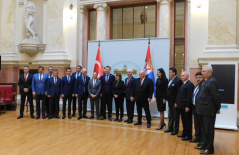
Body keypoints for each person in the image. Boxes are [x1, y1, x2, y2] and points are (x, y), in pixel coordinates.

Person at [196, 65, 221, 154]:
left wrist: (218, 107)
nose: (202, 73)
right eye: (202, 71)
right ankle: (204, 144)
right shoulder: (206, 81)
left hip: (208, 110)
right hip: (203, 110)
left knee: (209, 130)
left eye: (204, 71)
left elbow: (216, 96)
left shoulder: (211, 82)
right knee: (204, 129)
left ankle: (210, 148)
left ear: (210, 72)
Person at [175, 71, 194, 141]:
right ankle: (184, 133)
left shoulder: (190, 85)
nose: (181, 77)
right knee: (183, 121)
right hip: (181, 106)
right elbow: (179, 94)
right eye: (181, 75)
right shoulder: (183, 84)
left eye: (183, 75)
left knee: (188, 122)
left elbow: (189, 97)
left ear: (187, 77)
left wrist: (188, 106)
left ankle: (188, 135)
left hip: (186, 107)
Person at [164, 67, 182, 135]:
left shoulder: (178, 80)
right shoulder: (170, 79)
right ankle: (170, 127)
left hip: (175, 102)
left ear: (174, 73)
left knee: (176, 116)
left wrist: (176, 102)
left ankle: (176, 129)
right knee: (171, 115)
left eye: (170, 72)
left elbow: (178, 93)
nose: (169, 73)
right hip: (170, 101)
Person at [190, 72, 203, 143]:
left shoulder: (203, 87)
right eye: (197, 77)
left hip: (201, 109)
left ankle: (202, 139)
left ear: (203, 78)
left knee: (201, 125)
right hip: (195, 108)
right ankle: (197, 137)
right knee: (196, 124)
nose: (198, 79)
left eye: (200, 77)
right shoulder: (196, 86)